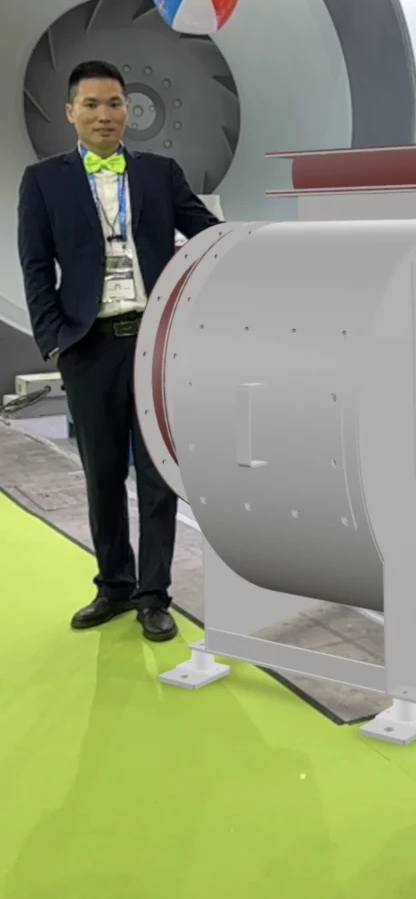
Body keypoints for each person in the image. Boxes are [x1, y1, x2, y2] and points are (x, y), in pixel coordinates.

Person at [17, 60, 221, 642]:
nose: (104, 115)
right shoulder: (44, 180)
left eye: (114, 104)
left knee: (157, 474)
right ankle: (113, 584)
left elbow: (209, 235)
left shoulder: (159, 173)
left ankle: (154, 595)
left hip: (155, 344)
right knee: (102, 473)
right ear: (71, 112)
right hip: (88, 345)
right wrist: (54, 342)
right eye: (92, 104)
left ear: (128, 110)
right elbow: (36, 266)